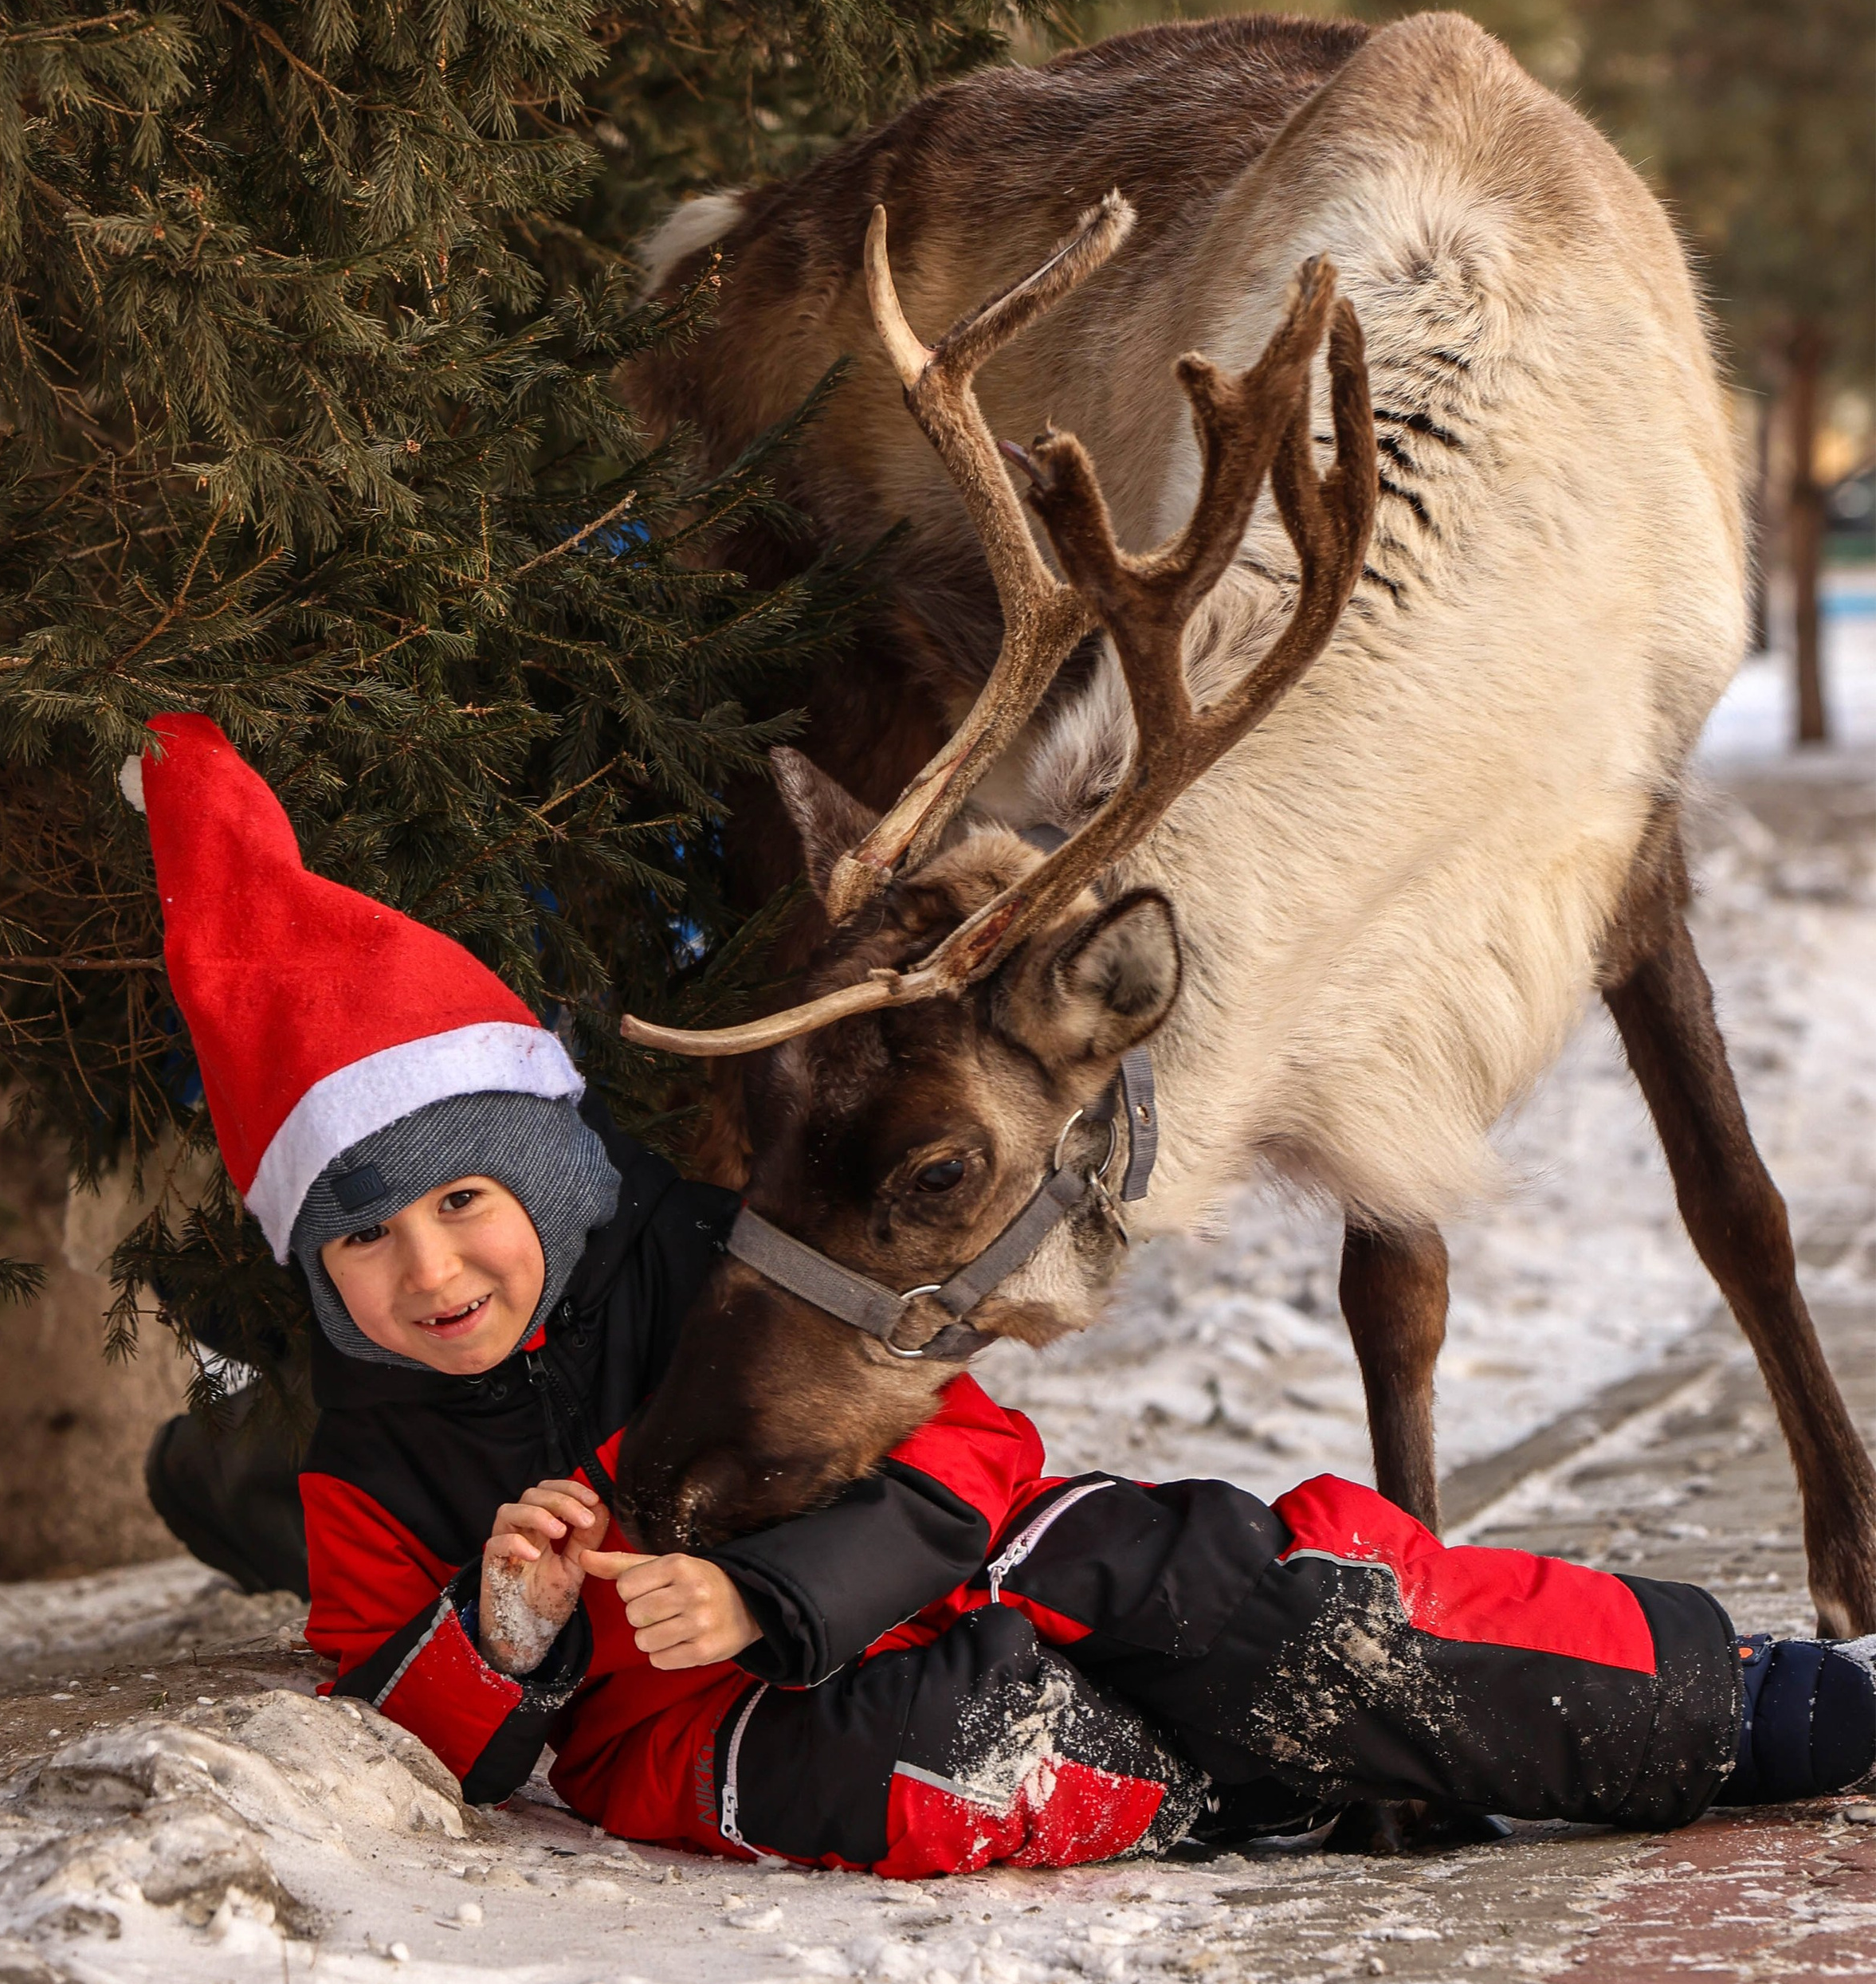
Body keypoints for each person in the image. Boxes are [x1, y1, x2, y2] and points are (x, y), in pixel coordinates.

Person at [131, 713, 1876, 1875]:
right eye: (366, 1241)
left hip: (987, 1561)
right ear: (317, 1267)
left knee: (1255, 1589)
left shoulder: (702, 1263)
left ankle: (1733, 1704)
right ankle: (1269, 1776)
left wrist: (770, 1592)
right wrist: (506, 1633)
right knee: (944, 1751)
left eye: (462, 1200)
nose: (432, 1270)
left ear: (551, 1176)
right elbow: (400, 1719)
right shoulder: (372, 1463)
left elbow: (972, 1452)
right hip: (738, 1729)